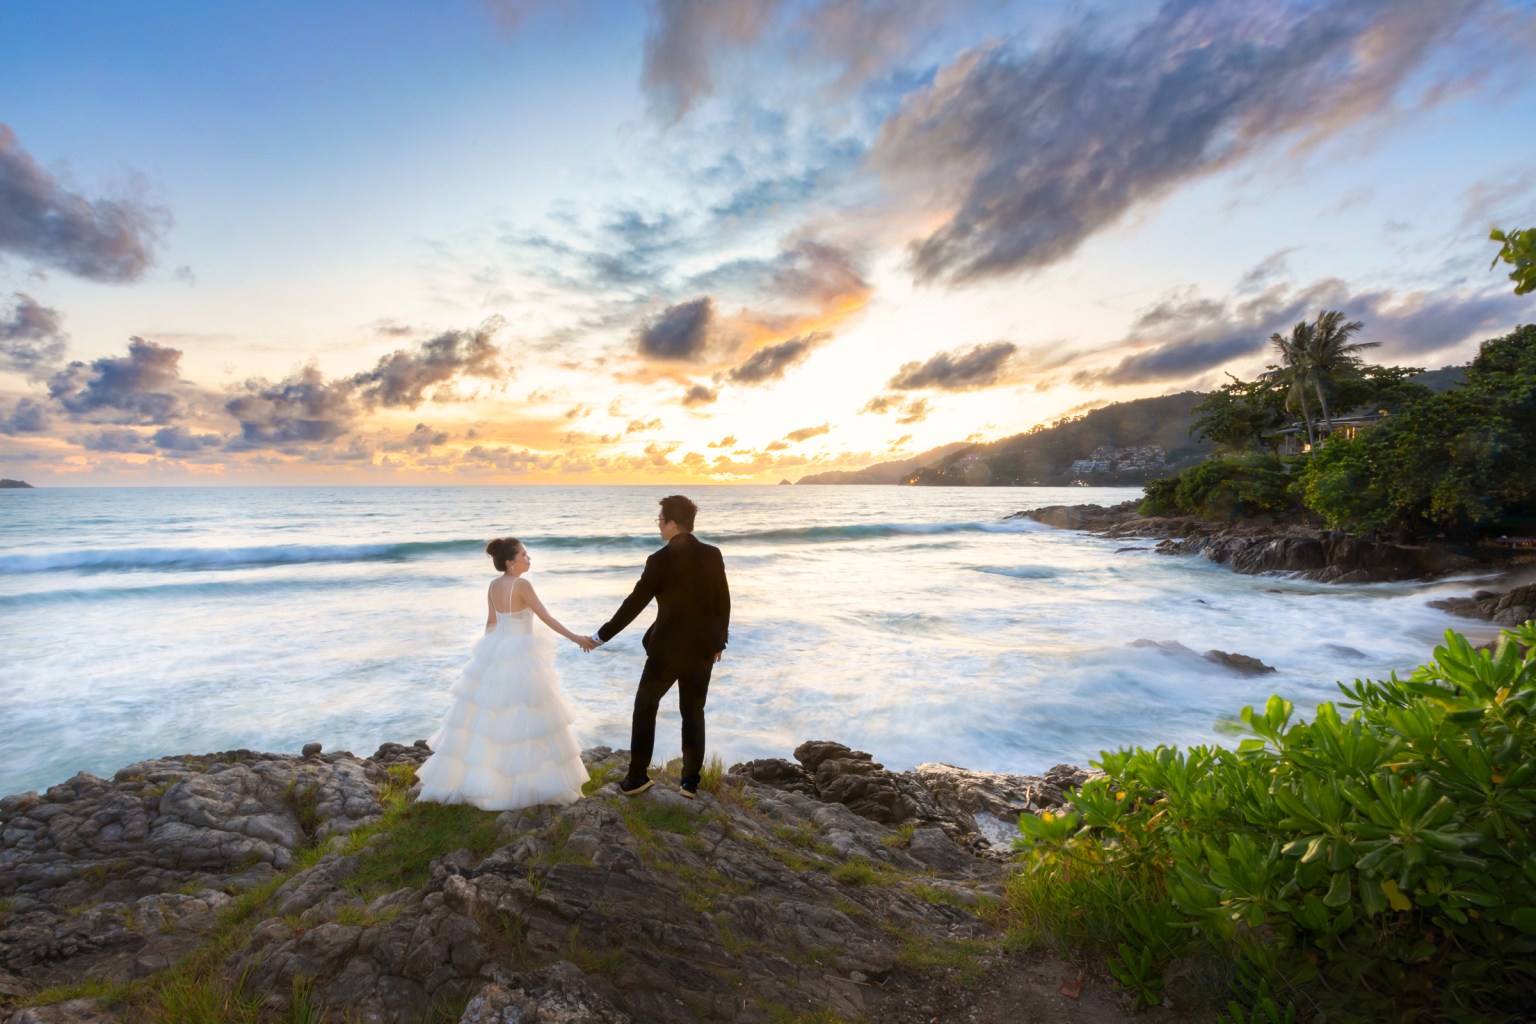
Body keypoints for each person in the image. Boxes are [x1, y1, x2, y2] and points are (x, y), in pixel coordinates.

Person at [416, 537, 594, 811]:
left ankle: (489, 781)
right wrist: (577, 638)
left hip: (499, 647)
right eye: (524, 554)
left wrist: (489, 656)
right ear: (510, 563)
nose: (528, 558)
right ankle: (527, 783)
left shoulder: (493, 585)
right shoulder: (522, 585)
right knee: (527, 717)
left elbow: (491, 622)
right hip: (521, 654)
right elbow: (545, 617)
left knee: (491, 720)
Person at [589, 495, 730, 799]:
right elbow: (723, 600)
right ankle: (690, 783)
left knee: (644, 708)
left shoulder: (659, 560)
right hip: (704, 648)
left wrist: (602, 636)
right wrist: (720, 640)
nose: (658, 526)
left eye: (660, 520)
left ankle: (637, 777)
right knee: (693, 712)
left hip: (667, 651)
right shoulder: (712, 554)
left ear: (670, 523)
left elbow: (634, 604)